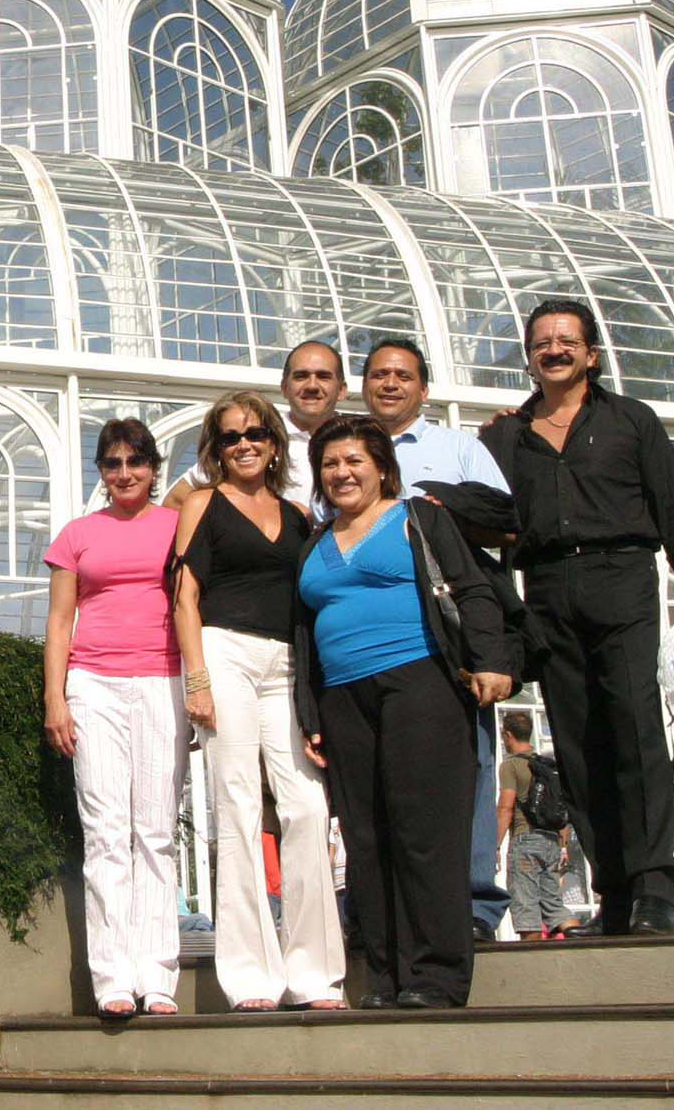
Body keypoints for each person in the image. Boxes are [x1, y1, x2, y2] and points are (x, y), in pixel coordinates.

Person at [481, 299, 674, 937]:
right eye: (541, 343)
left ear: (591, 354)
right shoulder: (506, 435)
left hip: (623, 578)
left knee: (634, 730)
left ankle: (652, 889)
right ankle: (613, 890)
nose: (553, 350)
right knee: (578, 745)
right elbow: (485, 520)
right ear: (529, 357)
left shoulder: (630, 420)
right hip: (549, 587)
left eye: (566, 341)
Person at [293, 415, 513, 1008]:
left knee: (424, 832)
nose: (341, 473)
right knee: (367, 836)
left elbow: (470, 588)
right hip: (343, 696)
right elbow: (304, 633)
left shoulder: (420, 518)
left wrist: (491, 660)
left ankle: (436, 977)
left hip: (421, 682)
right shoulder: (314, 540)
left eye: (353, 461)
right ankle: (387, 980)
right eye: (330, 464)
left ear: (382, 467)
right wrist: (309, 712)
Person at [172, 392, 345, 1012]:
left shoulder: (299, 515)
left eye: (254, 434)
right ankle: (249, 977)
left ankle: (315, 973)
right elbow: (184, 596)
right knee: (238, 803)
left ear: (274, 442)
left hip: (285, 663)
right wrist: (197, 678)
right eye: (229, 437)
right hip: (225, 653)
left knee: (305, 805)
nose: (243, 445)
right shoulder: (201, 504)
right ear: (215, 449)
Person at [353, 337, 517, 944]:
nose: (389, 384)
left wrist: (437, 503)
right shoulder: (346, 453)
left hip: (448, 635)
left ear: (423, 389)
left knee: (471, 766)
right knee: (380, 777)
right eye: (378, 374)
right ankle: (393, 907)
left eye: (402, 376)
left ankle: (474, 904)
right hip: (374, 637)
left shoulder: (457, 448)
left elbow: (507, 519)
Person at [43, 418, 201, 1018]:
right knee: (106, 831)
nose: (125, 473)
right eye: (113, 464)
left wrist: (198, 687)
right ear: (102, 473)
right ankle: (112, 977)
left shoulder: (178, 526)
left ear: (155, 467)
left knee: (156, 832)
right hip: (94, 686)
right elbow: (60, 622)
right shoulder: (77, 535)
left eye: (136, 462)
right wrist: (55, 699)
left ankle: (158, 976)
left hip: (163, 681)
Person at [165, 340, 346, 514]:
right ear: (284, 387)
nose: (312, 385)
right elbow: (176, 501)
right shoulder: (258, 438)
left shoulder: (360, 439)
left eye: (323, 376)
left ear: (342, 389)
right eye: (301, 376)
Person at [497, 711, 574, 940]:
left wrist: (495, 844)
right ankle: (580, 943)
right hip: (551, 842)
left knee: (526, 910)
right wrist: (563, 845)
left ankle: (532, 964)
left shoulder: (510, 766)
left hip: (525, 840)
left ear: (507, 735)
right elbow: (559, 809)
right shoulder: (545, 766)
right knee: (555, 907)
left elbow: (505, 807)